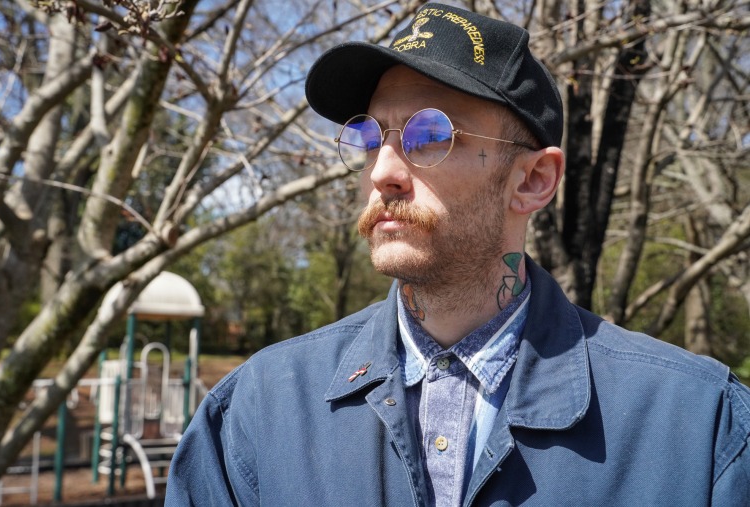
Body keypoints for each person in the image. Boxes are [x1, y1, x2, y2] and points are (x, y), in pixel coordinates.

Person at [166, 4, 750, 506]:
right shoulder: (256, 414)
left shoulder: (700, 428)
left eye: (429, 135)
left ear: (534, 181)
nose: (384, 171)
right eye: (370, 138)